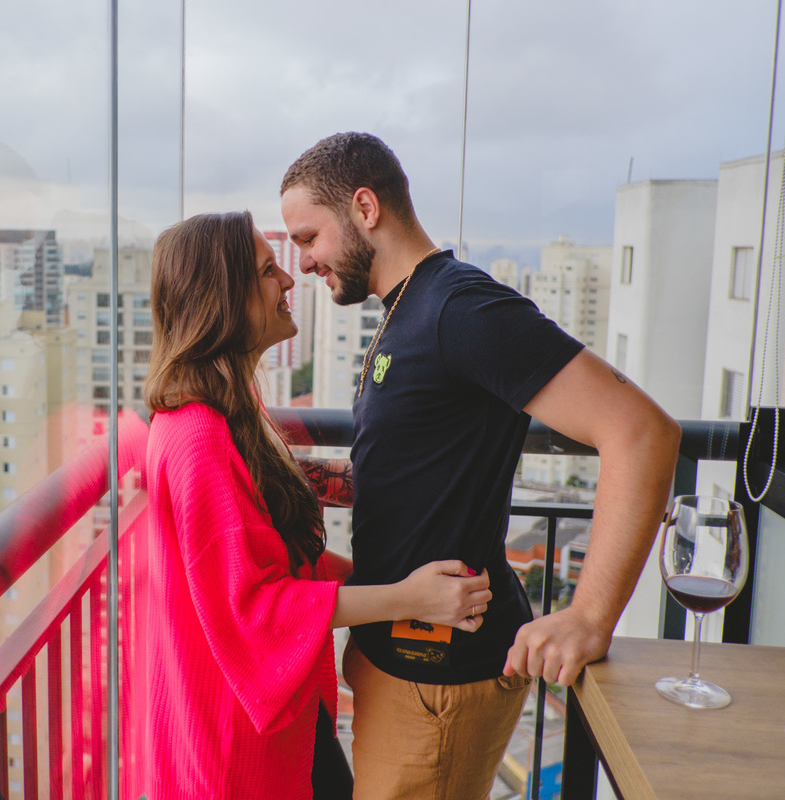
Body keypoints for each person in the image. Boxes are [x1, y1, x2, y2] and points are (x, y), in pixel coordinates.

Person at [279, 132, 682, 799]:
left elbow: (642, 432)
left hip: (439, 678)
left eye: (308, 237)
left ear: (365, 208)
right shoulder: (406, 308)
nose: (303, 261)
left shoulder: (459, 307)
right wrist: (283, 479)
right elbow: (419, 466)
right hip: (398, 664)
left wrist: (588, 616)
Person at [139, 210, 493, 800]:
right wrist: (410, 598)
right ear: (221, 299)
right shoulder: (198, 438)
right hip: (232, 741)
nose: (288, 278)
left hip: (258, 719)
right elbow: (255, 606)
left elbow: (271, 556)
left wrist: (394, 584)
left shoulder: (226, 415)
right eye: (267, 270)